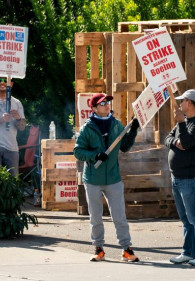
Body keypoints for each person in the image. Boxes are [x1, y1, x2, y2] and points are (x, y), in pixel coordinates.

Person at [73, 93, 140, 262]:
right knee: (95, 217)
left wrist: (133, 130)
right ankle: (98, 249)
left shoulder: (117, 125)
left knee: (119, 216)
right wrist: (96, 155)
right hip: (93, 179)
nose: (106, 105)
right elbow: (78, 152)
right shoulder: (87, 128)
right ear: (94, 108)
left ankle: (127, 249)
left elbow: (124, 146)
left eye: (108, 102)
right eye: (102, 103)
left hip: (113, 178)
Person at [164, 89, 195, 266]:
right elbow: (168, 139)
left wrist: (180, 128)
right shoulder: (184, 122)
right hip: (177, 177)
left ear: (190, 103)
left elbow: (185, 143)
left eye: (182, 101)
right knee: (186, 218)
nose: (179, 104)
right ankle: (188, 252)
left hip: (189, 178)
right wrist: (176, 141)